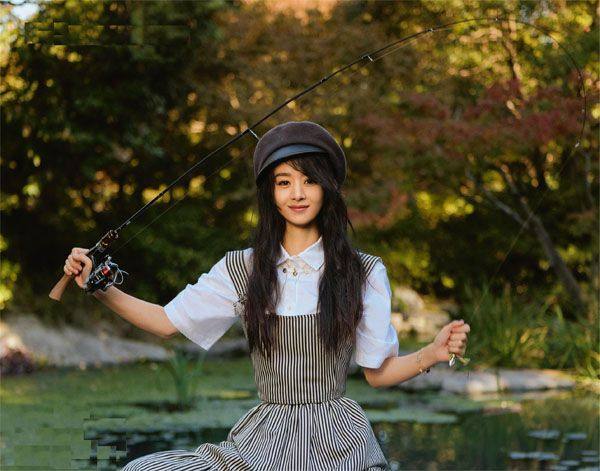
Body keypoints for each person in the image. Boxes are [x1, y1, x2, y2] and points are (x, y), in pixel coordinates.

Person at [64, 121, 470, 470]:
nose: (298, 193)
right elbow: (166, 322)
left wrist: (431, 354)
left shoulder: (363, 272)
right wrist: (100, 286)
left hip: (338, 441)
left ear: (327, 188)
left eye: (309, 180)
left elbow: (377, 374)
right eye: (284, 182)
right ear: (270, 193)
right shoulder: (242, 268)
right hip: (264, 439)